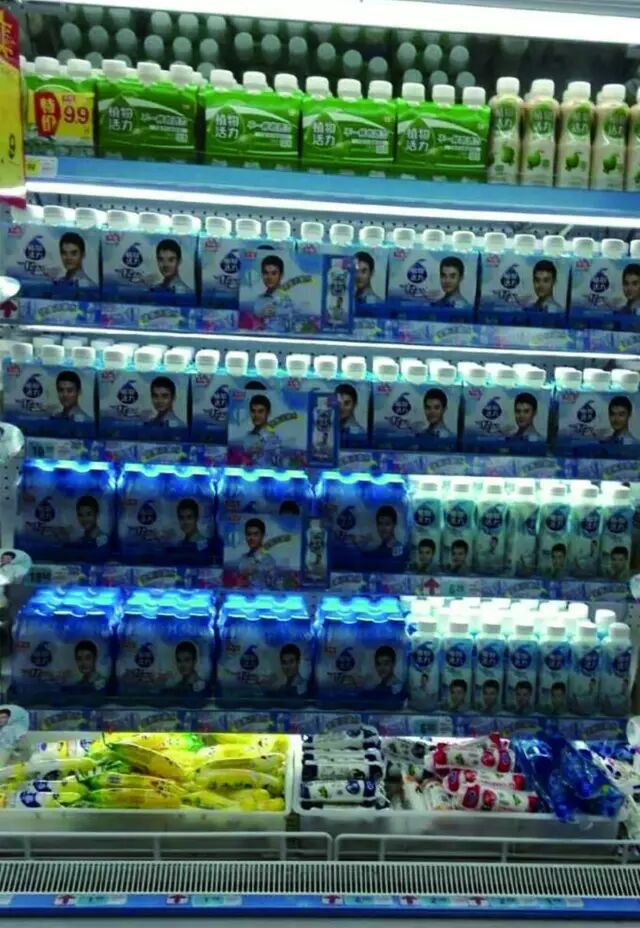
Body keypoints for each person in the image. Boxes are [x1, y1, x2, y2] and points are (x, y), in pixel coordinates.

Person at [253, 254, 293, 325]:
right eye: (266, 273)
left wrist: (277, 311)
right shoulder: (258, 300)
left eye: (274, 273)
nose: (269, 277)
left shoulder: (289, 299)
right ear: (262, 275)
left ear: (281, 275)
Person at [242, 393, 281, 463]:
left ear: (268, 413)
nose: (256, 415)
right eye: (253, 411)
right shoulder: (247, 437)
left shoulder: (275, 438)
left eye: (260, 411)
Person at [237, 517, 276, 587]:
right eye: (249, 534)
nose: (251, 538)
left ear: (262, 536)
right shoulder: (242, 559)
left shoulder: (269, 560)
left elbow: (272, 584)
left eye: (255, 534)